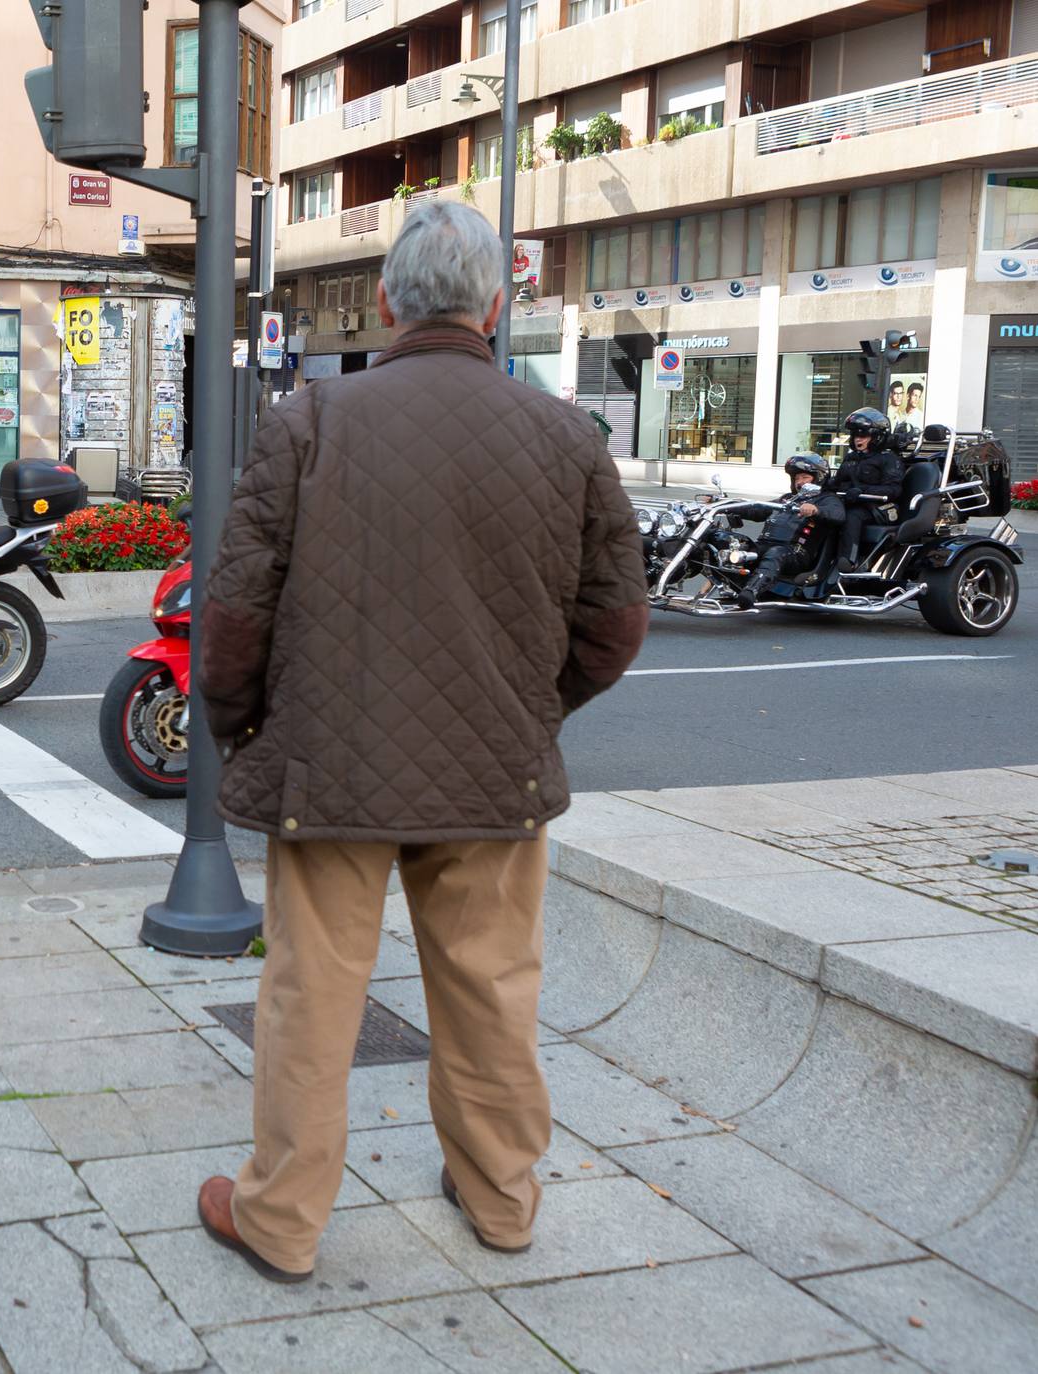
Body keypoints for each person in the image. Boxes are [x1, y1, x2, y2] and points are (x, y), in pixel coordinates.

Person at [191, 199, 647, 1283]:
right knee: (492, 992)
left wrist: (241, 724)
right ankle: (499, 1204)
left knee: (311, 998)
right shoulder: (564, 436)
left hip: (328, 768)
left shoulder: (308, 421)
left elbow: (236, 610)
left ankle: (281, 1221)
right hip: (495, 770)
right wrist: (533, 708)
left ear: (387, 302)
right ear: (496, 305)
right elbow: (614, 619)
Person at [737, 454, 844, 608]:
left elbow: (838, 514)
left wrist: (816, 510)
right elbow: (758, 510)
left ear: (818, 477)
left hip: (796, 553)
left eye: (804, 477)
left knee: (775, 553)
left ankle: (751, 592)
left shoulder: (827, 499)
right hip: (766, 545)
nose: (799, 482)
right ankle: (730, 585)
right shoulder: (787, 498)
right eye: (796, 478)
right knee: (741, 549)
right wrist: (729, 504)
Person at [833, 407, 904, 571]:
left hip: (879, 508)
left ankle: (849, 562)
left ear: (876, 436)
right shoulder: (851, 458)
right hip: (852, 502)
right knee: (825, 513)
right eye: (856, 435)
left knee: (852, 516)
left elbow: (893, 489)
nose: (858, 439)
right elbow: (837, 482)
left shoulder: (889, 459)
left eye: (863, 435)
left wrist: (862, 491)